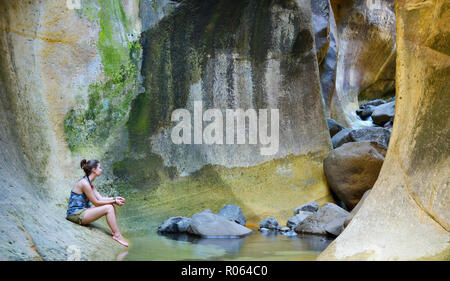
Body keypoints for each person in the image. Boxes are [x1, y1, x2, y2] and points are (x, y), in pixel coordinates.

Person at [66, 159, 129, 247]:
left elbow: (101, 198)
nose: (101, 169)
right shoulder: (84, 184)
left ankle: (115, 231)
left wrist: (115, 198)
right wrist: (114, 201)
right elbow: (96, 202)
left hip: (84, 211)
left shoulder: (89, 183)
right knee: (109, 208)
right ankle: (117, 235)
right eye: (100, 167)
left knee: (111, 205)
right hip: (76, 215)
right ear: (94, 170)